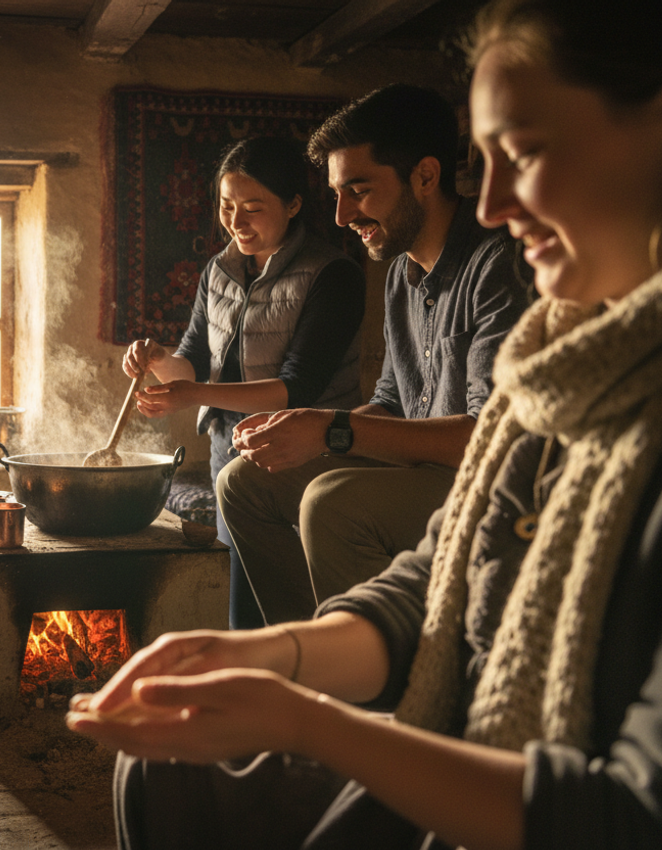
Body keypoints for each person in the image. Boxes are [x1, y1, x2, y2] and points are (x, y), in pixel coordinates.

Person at [67, 1, 662, 847]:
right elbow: (450, 560)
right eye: (482, 161)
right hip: (415, 487)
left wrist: (312, 725)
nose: (490, 201)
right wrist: (273, 662)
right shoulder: (555, 358)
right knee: (166, 763)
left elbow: (628, 818)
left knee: (332, 500)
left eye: (523, 153)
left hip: (428, 511)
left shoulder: (468, 284)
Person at [216, 83, 532, 625]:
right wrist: (303, 427)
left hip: (485, 483)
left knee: (331, 502)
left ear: (426, 177)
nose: (341, 216)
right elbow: (391, 398)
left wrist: (334, 430)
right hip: (422, 469)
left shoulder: (497, 264)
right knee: (244, 481)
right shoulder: (400, 273)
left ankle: (374, 685)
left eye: (358, 190)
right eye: (338, 193)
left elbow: (491, 436)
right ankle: (309, 649)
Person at [121, 135, 366, 629]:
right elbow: (193, 360)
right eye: (227, 206)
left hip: (301, 451)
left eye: (253, 208)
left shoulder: (332, 274)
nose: (235, 222)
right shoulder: (219, 270)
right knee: (242, 592)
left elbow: (297, 388)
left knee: (297, 593)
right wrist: (159, 361)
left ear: (294, 204)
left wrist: (191, 394)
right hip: (226, 446)